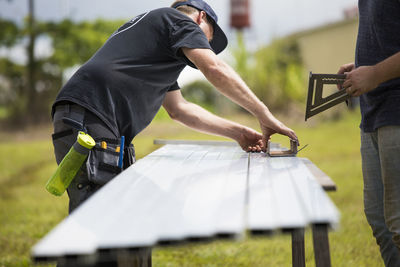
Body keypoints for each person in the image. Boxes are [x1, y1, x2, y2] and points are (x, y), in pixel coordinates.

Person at [51, 0, 297, 265]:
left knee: (128, 224)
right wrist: (264, 114)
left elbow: (179, 109)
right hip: (90, 118)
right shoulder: (177, 20)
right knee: (102, 230)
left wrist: (237, 132)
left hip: (91, 118)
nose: (203, 49)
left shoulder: (156, 46)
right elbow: (213, 67)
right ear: (201, 19)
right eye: (206, 41)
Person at [337, 0, 400, 266]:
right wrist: (364, 65)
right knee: (381, 224)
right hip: (372, 113)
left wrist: (375, 72)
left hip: (396, 110)